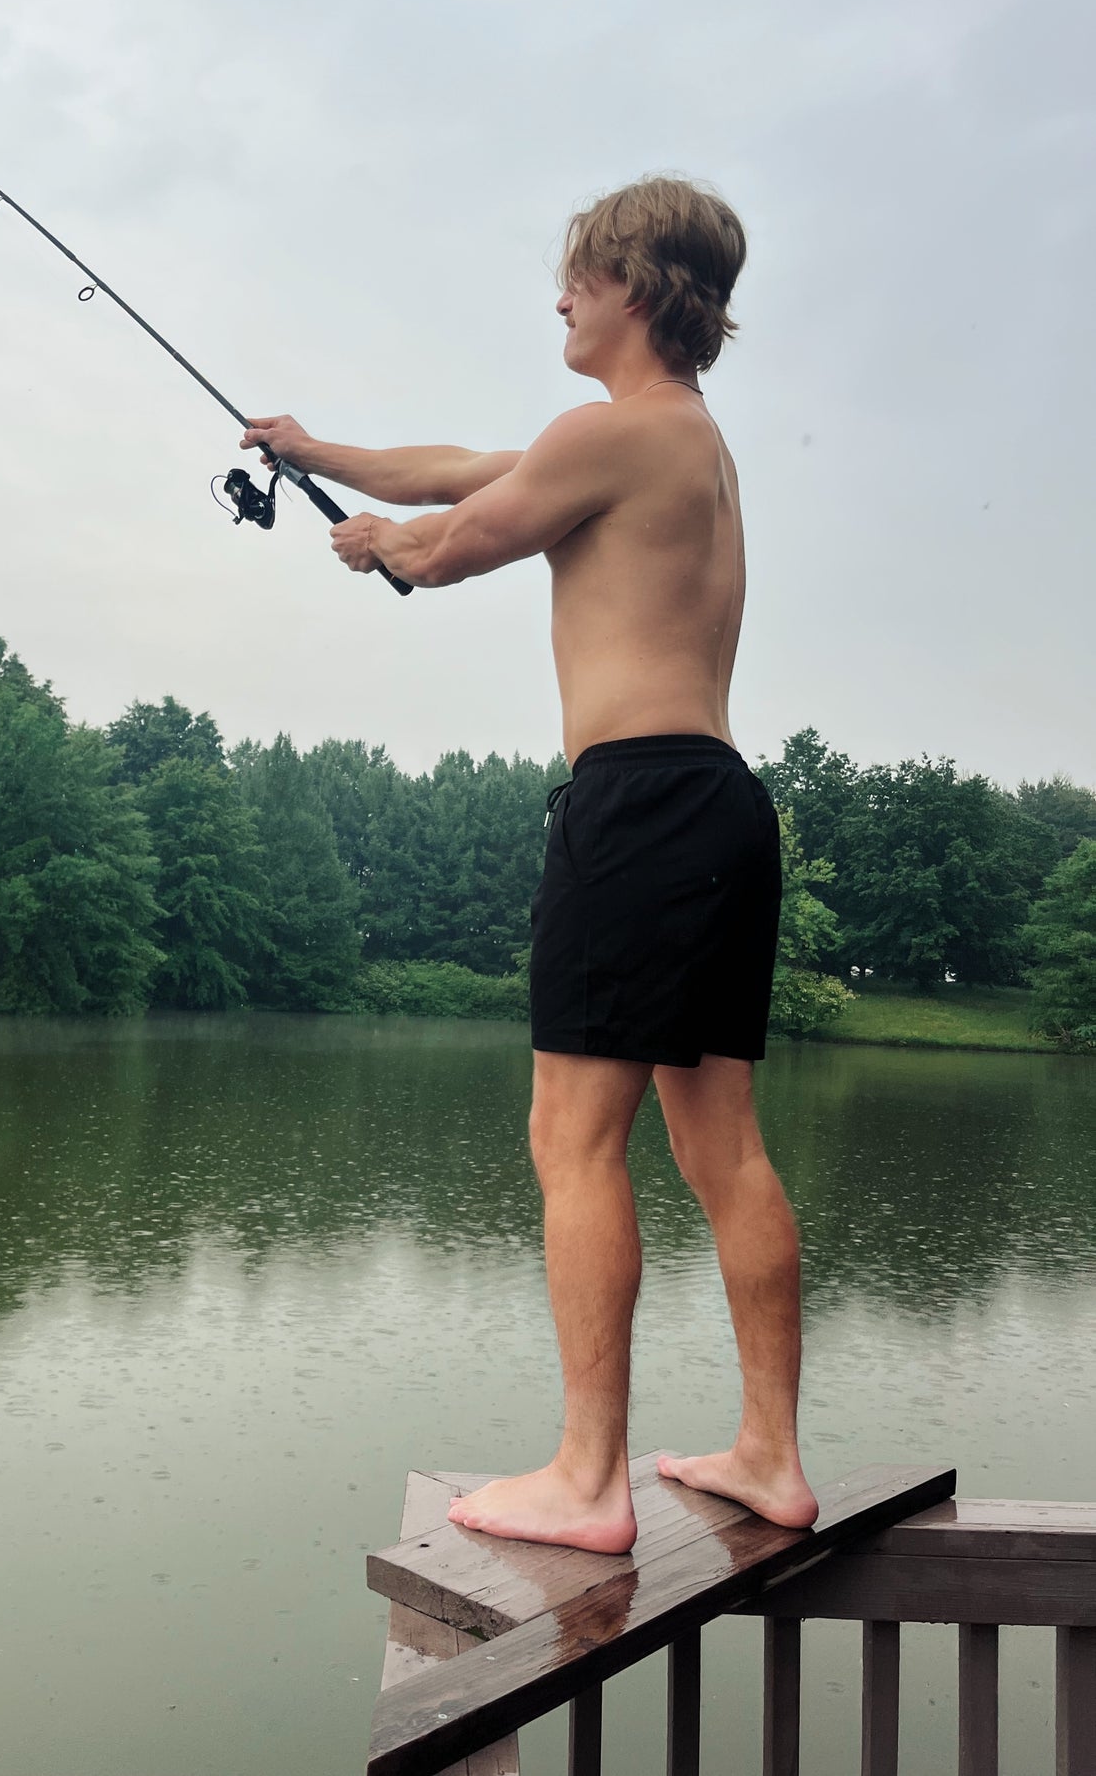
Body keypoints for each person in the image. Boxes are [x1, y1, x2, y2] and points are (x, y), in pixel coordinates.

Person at [239, 176, 818, 1555]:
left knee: (570, 1137)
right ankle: (769, 1456)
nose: (559, 299)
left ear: (636, 288)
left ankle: (586, 1478)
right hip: (717, 807)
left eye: (577, 277)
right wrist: (318, 450)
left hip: (637, 808)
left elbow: (452, 543)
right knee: (722, 1147)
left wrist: (380, 548)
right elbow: (455, 472)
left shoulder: (609, 435)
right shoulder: (679, 442)